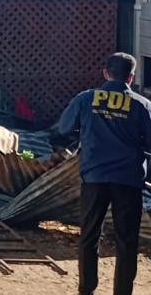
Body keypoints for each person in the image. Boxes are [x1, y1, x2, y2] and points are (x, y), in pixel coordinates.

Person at [59, 52, 151, 295]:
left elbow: (63, 129)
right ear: (131, 78)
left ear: (105, 73)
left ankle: (86, 289)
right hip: (128, 180)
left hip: (94, 178)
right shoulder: (142, 105)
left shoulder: (84, 99)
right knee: (126, 241)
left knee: (89, 236)